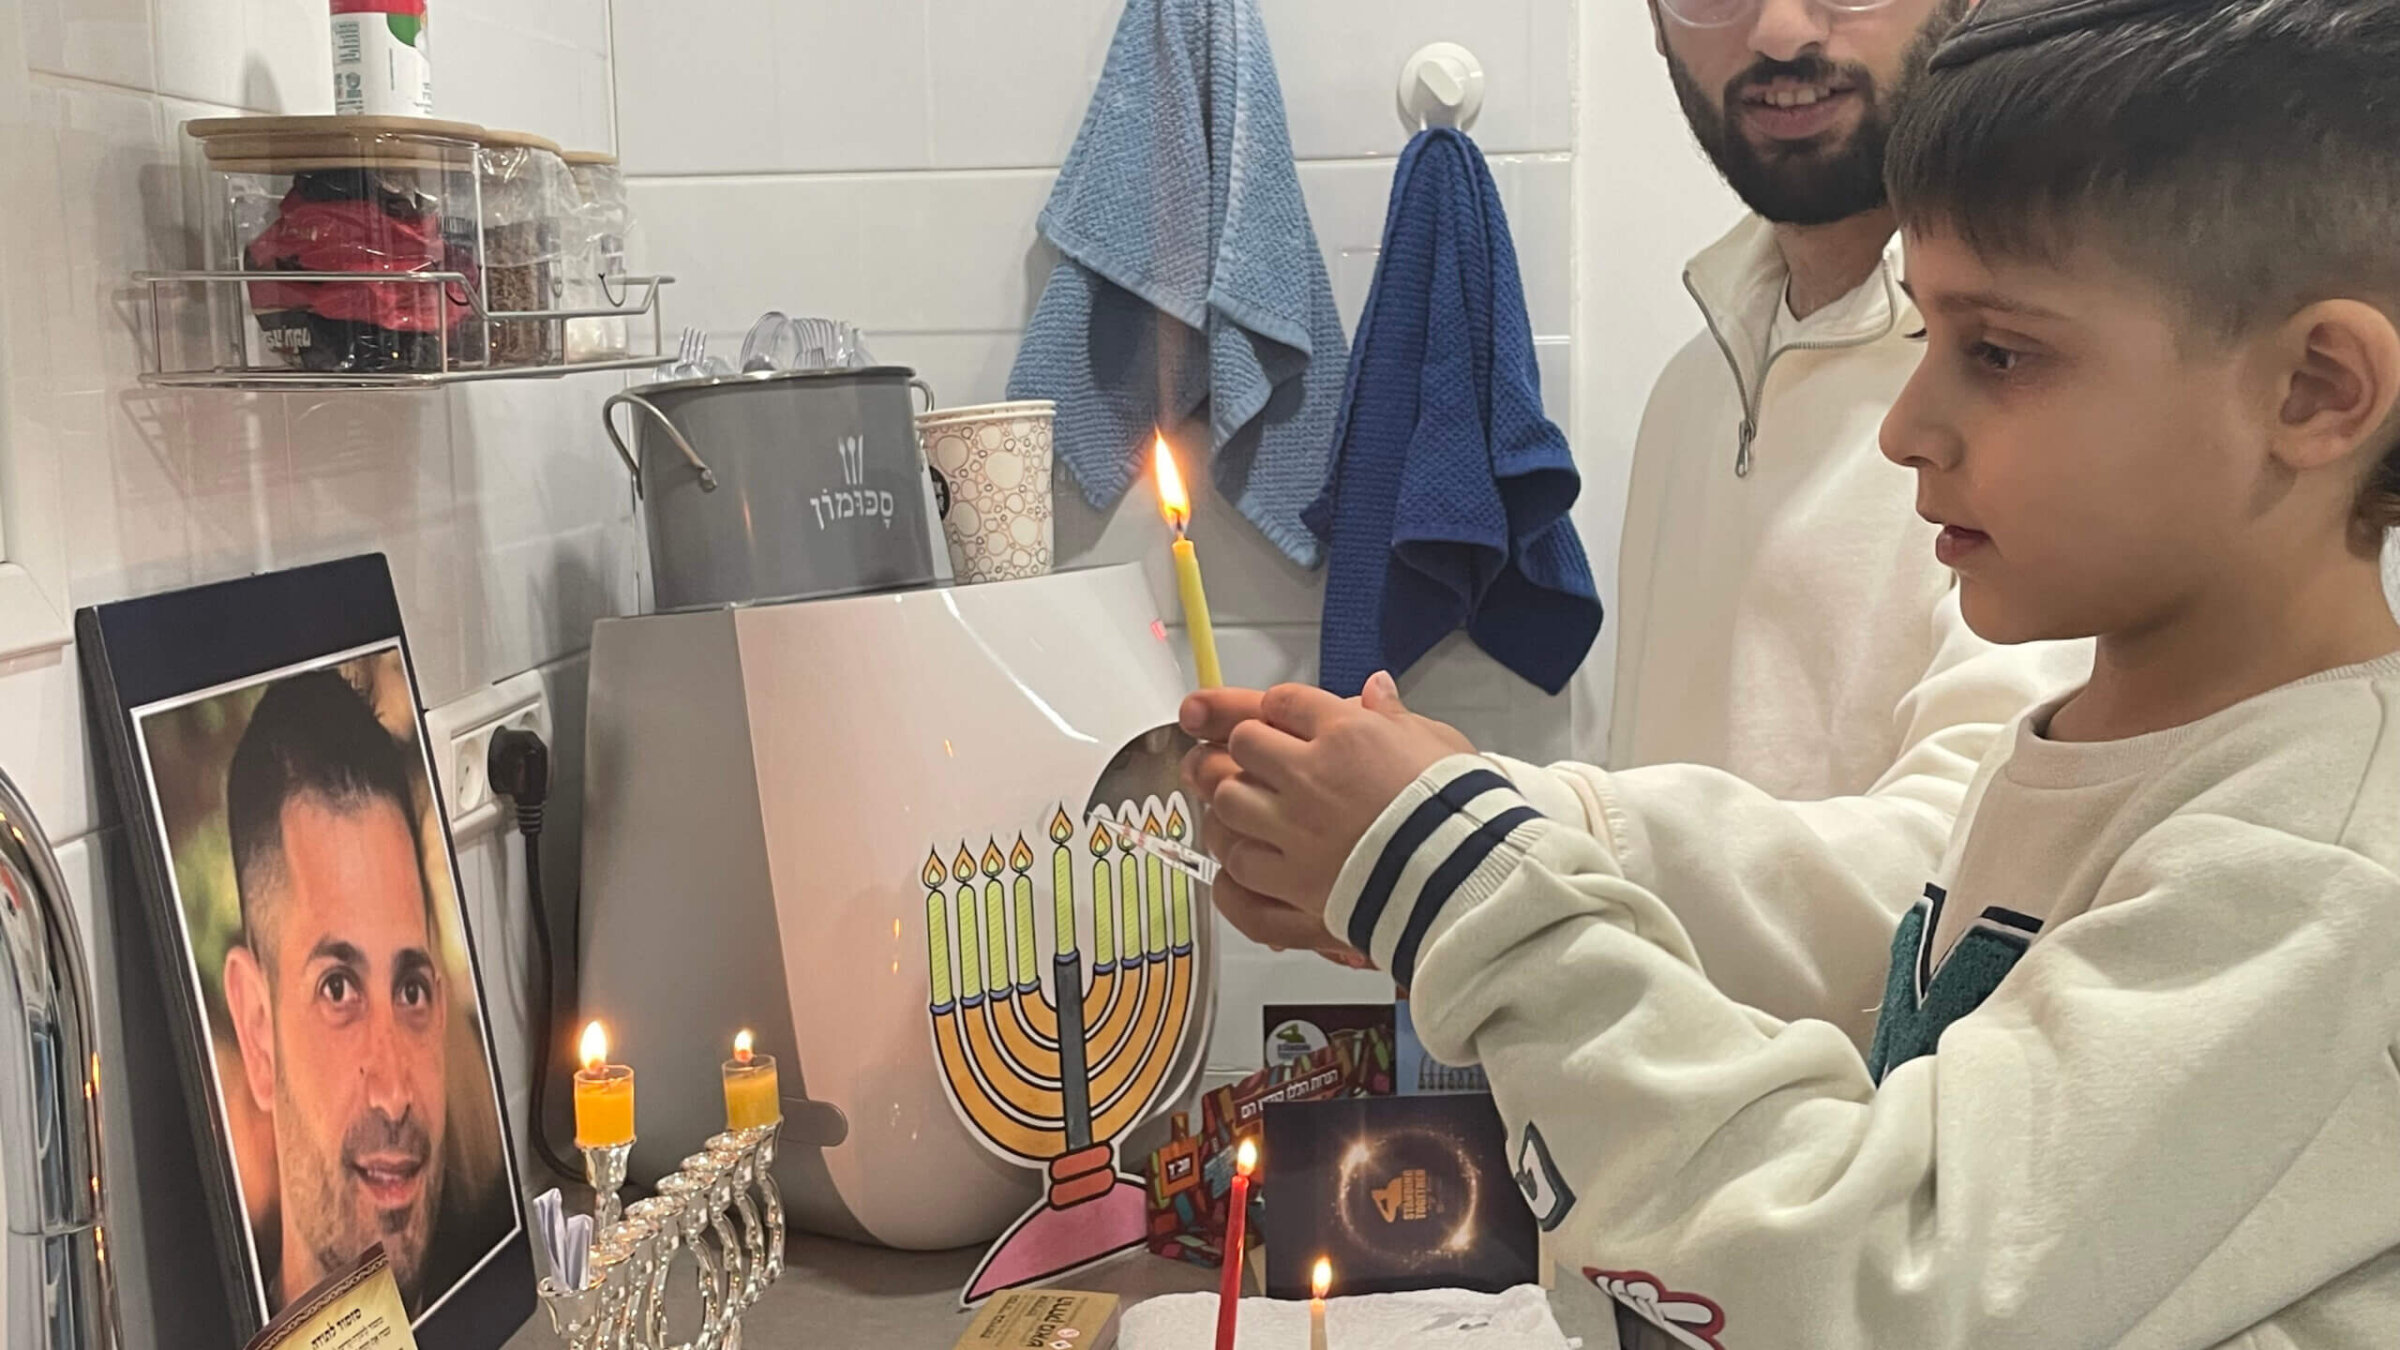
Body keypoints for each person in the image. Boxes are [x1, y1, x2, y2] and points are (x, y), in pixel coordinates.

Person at [1185, 0, 2400, 1342]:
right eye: (1930, 335)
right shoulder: (2081, 745)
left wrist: (1473, 877)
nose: (1904, 426)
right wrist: (1466, 849)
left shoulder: (2320, 870)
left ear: (2314, 392)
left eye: (1998, 352)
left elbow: (1878, 1274)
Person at [1570, 0, 2091, 1043]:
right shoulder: (1692, 387)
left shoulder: (2061, 378)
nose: (1779, 32)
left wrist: (1517, 839)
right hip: (1661, 1153)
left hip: (1894, 1179)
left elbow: (1979, 870)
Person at [220, 671, 459, 1315]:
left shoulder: (485, 1295)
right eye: (337, 988)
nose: (395, 1092)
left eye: (410, 991)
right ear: (257, 1031)